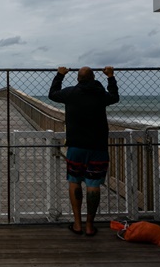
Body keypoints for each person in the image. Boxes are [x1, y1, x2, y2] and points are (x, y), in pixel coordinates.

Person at [48, 66, 119, 236]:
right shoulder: (100, 94)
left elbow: (52, 94)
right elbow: (115, 97)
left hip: (76, 146)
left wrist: (60, 75)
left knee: (74, 181)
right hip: (98, 147)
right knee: (93, 185)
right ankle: (89, 226)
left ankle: (77, 224)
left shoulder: (71, 93)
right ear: (94, 77)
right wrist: (110, 77)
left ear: (78, 79)